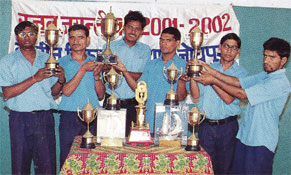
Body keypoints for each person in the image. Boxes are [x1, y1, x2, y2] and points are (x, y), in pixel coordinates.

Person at [194, 37, 290, 174]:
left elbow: (242, 94)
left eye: (272, 57)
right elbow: (238, 82)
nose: (266, 60)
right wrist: (211, 71)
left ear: (283, 60)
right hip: (245, 137)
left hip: (261, 142)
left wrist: (213, 80)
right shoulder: (265, 76)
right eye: (265, 56)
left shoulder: (279, 83)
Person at [0, 21, 65, 174]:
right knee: (20, 166)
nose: (27, 37)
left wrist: (62, 79)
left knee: (47, 167)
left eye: (31, 33)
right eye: (22, 34)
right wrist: (35, 78)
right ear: (17, 37)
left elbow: (53, 92)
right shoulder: (7, 62)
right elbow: (7, 93)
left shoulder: (47, 59)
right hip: (20, 119)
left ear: (37, 36)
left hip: (45, 118)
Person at [182, 33, 248, 174]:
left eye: (233, 48)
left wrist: (212, 80)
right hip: (206, 126)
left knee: (224, 168)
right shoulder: (208, 67)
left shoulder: (241, 74)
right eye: (226, 46)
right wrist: (193, 75)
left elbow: (229, 99)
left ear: (238, 51)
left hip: (227, 127)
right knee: (204, 167)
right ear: (219, 48)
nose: (229, 51)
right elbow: (196, 95)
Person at [115, 27, 188, 133]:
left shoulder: (184, 66)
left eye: (168, 40)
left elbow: (181, 97)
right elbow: (139, 90)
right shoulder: (151, 65)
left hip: (174, 124)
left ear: (177, 43)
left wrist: (181, 81)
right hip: (151, 121)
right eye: (161, 40)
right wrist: (124, 72)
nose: (164, 43)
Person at [58, 24, 105, 167]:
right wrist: (83, 69)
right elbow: (66, 91)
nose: (76, 41)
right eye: (72, 38)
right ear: (68, 40)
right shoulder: (62, 63)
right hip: (70, 116)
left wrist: (97, 77)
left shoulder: (95, 62)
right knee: (68, 159)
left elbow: (101, 95)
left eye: (80, 37)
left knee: (91, 160)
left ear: (88, 40)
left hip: (93, 116)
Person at [102, 11, 151, 136]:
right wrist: (116, 69)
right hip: (112, 100)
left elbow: (141, 76)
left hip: (134, 103)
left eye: (137, 29)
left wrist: (119, 69)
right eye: (130, 27)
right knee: (109, 141)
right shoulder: (110, 46)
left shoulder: (145, 50)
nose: (132, 31)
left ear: (141, 32)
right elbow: (105, 68)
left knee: (132, 143)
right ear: (124, 28)